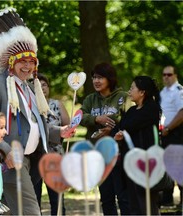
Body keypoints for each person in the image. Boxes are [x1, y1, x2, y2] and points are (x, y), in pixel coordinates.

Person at [0, 8, 74, 215]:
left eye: (31, 62)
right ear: (11, 62)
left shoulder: (28, 88)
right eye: (22, 61)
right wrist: (6, 150)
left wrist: (58, 132)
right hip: (8, 159)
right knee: (31, 210)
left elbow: (34, 125)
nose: (27, 66)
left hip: (30, 160)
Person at [80, 62, 132, 215]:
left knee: (123, 197)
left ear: (110, 78)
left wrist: (112, 128)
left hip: (119, 155)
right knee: (106, 198)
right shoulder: (90, 99)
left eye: (100, 77)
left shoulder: (123, 97)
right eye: (94, 77)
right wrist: (97, 119)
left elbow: (130, 120)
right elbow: (80, 117)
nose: (96, 81)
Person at [114, 76, 161, 215]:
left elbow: (128, 125)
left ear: (142, 92)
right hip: (130, 161)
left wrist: (122, 131)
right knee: (133, 200)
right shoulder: (132, 110)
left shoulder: (151, 108)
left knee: (146, 201)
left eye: (132, 88)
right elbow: (122, 127)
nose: (129, 91)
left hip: (146, 162)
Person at [33, 73, 70, 215]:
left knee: (57, 198)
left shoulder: (56, 104)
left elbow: (68, 125)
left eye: (44, 85)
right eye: (38, 85)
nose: (42, 88)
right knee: (34, 197)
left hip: (55, 155)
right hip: (35, 155)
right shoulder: (31, 105)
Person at [160, 65, 183, 206]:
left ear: (175, 76)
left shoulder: (179, 91)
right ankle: (167, 199)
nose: (166, 77)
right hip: (166, 133)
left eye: (169, 74)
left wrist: (168, 128)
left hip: (177, 132)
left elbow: (182, 113)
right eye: (164, 75)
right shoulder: (163, 92)